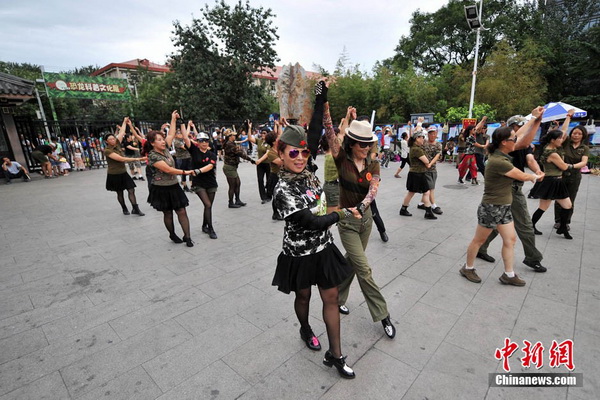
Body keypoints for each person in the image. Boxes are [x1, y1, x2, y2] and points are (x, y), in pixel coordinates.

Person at [272, 124, 357, 379]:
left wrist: (321, 99)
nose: (300, 158)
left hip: (323, 247)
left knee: (331, 298)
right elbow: (312, 222)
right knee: (304, 296)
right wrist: (341, 213)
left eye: (304, 153)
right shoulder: (282, 190)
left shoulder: (308, 171)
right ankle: (306, 329)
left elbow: (310, 137)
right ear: (281, 154)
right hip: (299, 254)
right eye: (293, 154)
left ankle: (336, 355)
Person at [323, 100, 396, 339]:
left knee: (353, 262)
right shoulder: (340, 159)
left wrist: (362, 206)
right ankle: (383, 314)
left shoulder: (373, 162)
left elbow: (373, 188)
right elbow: (330, 131)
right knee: (364, 269)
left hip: (366, 221)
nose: (367, 148)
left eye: (369, 144)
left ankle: (339, 296)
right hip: (347, 224)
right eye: (363, 144)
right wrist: (324, 103)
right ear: (353, 144)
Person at [460, 126, 541, 286]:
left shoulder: (501, 154)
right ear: (504, 142)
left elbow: (517, 134)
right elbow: (521, 175)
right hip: (491, 207)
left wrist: (533, 120)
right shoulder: (499, 161)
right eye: (513, 140)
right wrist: (536, 176)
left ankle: (508, 275)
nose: (516, 141)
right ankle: (467, 268)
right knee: (478, 240)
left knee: (510, 240)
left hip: (504, 206)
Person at [476, 108, 548, 273]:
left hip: (510, 190)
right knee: (525, 225)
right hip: (509, 189)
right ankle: (533, 258)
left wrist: (536, 170)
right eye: (515, 127)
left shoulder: (511, 142)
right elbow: (520, 140)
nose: (518, 130)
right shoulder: (506, 147)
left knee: (497, 223)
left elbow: (529, 155)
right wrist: (535, 120)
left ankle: (481, 247)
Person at [144, 111, 195, 246]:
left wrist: (173, 119)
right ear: (152, 143)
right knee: (168, 213)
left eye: (162, 139)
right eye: (159, 140)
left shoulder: (165, 148)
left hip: (174, 185)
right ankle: (172, 234)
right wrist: (187, 171)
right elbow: (168, 170)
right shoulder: (153, 156)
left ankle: (188, 237)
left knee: (182, 211)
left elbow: (171, 134)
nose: (162, 141)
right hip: (161, 188)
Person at [529, 129, 574, 239]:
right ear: (553, 140)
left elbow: (563, 132)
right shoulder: (553, 153)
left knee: (565, 206)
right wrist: (576, 165)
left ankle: (562, 228)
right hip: (552, 181)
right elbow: (563, 167)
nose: (561, 139)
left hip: (553, 181)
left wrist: (568, 117)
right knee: (563, 206)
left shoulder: (548, 147)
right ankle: (531, 226)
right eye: (559, 138)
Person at [103, 117, 146, 217]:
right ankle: (124, 207)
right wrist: (138, 159)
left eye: (113, 138)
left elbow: (122, 132)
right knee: (120, 192)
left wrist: (124, 122)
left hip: (123, 172)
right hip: (114, 174)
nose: (113, 140)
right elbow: (121, 159)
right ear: (106, 141)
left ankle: (135, 208)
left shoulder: (117, 143)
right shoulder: (107, 151)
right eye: (110, 139)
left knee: (131, 189)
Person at [554, 113, 589, 231]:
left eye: (579, 134)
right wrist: (568, 117)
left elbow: (584, 162)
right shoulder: (566, 142)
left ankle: (566, 222)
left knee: (570, 199)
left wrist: (571, 166)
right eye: (574, 133)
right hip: (561, 174)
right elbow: (563, 131)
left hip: (574, 176)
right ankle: (558, 221)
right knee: (559, 198)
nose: (576, 135)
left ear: (583, 136)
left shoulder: (584, 148)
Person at [183, 124, 219, 240]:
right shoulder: (194, 151)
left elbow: (210, 166)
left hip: (211, 182)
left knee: (208, 206)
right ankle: (211, 228)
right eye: (201, 141)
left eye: (206, 141)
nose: (204, 143)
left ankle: (204, 225)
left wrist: (198, 171)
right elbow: (185, 137)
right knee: (207, 204)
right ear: (197, 142)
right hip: (198, 183)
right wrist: (182, 123)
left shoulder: (212, 154)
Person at [399, 131, 437, 219]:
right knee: (412, 192)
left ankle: (428, 211)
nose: (423, 139)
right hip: (416, 174)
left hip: (419, 173)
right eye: (422, 137)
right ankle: (404, 209)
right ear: (417, 138)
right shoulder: (416, 149)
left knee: (426, 192)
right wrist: (429, 162)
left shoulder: (416, 147)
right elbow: (426, 161)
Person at [222, 128, 256, 208]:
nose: (235, 136)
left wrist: (244, 126)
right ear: (230, 136)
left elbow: (237, 135)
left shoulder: (230, 142)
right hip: (229, 167)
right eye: (234, 135)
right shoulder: (230, 144)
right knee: (232, 186)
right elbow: (241, 154)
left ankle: (237, 200)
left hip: (232, 167)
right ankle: (230, 202)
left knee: (237, 183)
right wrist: (252, 160)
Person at [417, 125, 443, 215]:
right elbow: (415, 137)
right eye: (430, 133)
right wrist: (419, 124)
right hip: (424, 169)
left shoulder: (438, 145)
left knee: (428, 187)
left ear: (436, 134)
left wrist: (430, 164)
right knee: (430, 188)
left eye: (434, 134)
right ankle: (434, 205)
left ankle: (421, 203)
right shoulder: (423, 142)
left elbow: (437, 156)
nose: (432, 135)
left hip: (432, 168)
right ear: (427, 134)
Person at [249, 126, 271, 203]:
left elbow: (268, 153)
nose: (262, 134)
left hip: (268, 164)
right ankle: (263, 197)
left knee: (269, 180)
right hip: (260, 164)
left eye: (264, 133)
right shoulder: (259, 141)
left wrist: (259, 160)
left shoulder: (270, 142)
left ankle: (269, 195)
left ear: (268, 134)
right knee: (260, 180)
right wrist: (249, 128)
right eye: (261, 133)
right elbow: (250, 138)